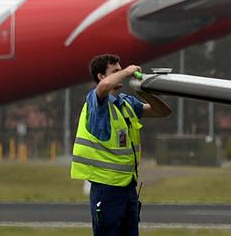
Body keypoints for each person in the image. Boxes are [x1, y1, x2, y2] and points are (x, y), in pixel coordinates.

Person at [71, 53, 172, 236]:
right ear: (102, 75)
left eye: (121, 69)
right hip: (106, 189)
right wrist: (128, 71)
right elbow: (103, 87)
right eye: (115, 71)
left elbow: (163, 112)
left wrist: (144, 93)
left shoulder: (126, 103)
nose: (122, 74)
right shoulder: (96, 102)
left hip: (128, 188)